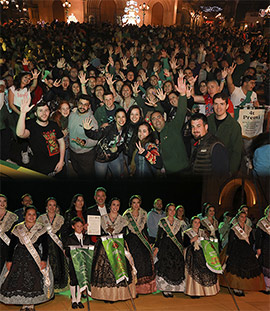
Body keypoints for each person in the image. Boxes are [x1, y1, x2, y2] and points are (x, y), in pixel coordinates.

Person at [0, 206, 54, 311]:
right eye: (29, 214)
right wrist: (9, 260)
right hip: (19, 258)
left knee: (34, 280)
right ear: (25, 216)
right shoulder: (18, 228)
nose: (32, 217)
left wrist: (43, 260)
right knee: (20, 281)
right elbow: (11, 246)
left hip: (34, 259)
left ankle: (31, 304)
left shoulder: (41, 228)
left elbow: (46, 246)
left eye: (34, 214)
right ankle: (24, 304)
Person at [91, 198, 137, 302]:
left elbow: (124, 234)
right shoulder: (103, 218)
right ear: (110, 206)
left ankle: (119, 294)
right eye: (113, 205)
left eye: (117, 205)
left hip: (118, 246)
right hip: (105, 246)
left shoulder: (122, 220)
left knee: (119, 268)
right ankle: (107, 295)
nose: (115, 207)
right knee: (106, 270)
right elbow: (97, 232)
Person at [150, 76, 189, 175]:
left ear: (164, 118)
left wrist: (183, 94)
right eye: (153, 119)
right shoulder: (155, 136)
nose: (157, 120)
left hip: (183, 171)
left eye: (159, 117)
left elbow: (181, 112)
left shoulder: (173, 126)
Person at [16, 99, 65, 176]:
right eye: (40, 111)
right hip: (40, 167)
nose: (44, 113)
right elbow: (20, 134)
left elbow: (61, 143)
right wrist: (23, 113)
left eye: (46, 110)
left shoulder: (54, 125)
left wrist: (61, 161)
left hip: (57, 163)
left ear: (49, 112)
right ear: (35, 113)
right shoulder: (32, 127)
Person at [221, 211, 265, 296]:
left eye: (245, 217)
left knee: (244, 271)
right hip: (236, 250)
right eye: (241, 217)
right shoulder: (234, 228)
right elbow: (230, 242)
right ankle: (236, 288)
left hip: (246, 251)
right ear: (238, 218)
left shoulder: (248, 228)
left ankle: (241, 287)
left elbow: (251, 241)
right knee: (236, 270)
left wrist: (252, 251)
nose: (243, 219)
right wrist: (228, 254)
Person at [123, 195, 156, 294]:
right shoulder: (126, 214)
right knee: (135, 262)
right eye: (134, 202)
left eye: (138, 202)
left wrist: (149, 241)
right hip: (131, 240)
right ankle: (134, 289)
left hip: (142, 240)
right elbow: (125, 230)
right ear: (131, 204)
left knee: (145, 262)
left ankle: (145, 289)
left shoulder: (144, 213)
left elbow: (145, 229)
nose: (136, 205)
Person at [83, 108, 127, 179]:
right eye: (118, 117)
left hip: (114, 158)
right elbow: (96, 135)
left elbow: (123, 145)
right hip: (101, 160)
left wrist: (117, 149)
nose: (121, 119)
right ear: (115, 118)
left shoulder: (125, 129)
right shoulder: (108, 128)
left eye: (123, 117)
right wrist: (88, 130)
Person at [183, 216, 220, 298]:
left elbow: (207, 243)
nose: (197, 224)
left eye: (198, 222)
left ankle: (203, 290)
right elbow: (185, 244)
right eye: (195, 222)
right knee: (194, 268)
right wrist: (192, 240)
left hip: (202, 252)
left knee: (206, 268)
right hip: (192, 253)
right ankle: (193, 292)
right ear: (192, 223)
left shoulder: (203, 232)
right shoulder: (187, 232)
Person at [154, 203, 185, 297]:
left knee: (175, 267)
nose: (172, 211)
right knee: (166, 266)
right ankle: (165, 289)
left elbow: (179, 237)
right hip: (165, 246)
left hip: (175, 247)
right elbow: (159, 236)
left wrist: (181, 248)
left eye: (173, 210)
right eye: (170, 210)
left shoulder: (178, 222)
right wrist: (157, 247)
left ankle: (172, 289)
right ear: (167, 211)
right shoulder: (163, 221)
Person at [37, 197, 68, 291]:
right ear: (46, 206)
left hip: (56, 246)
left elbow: (63, 233)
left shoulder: (60, 218)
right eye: (50, 205)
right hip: (45, 245)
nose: (52, 207)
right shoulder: (41, 218)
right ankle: (46, 286)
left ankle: (56, 287)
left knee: (57, 266)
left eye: (54, 205)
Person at [207, 92, 243, 173]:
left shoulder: (234, 126)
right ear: (212, 105)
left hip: (225, 167)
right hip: (208, 165)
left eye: (222, 104)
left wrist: (231, 171)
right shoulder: (208, 121)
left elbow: (237, 151)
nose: (218, 107)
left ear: (227, 106)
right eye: (216, 104)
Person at [64, 217, 92, 309]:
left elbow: (90, 248)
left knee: (81, 281)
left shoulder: (86, 237)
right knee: (73, 281)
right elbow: (67, 252)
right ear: (73, 227)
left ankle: (79, 299)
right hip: (74, 263)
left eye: (81, 226)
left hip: (84, 263)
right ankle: (73, 300)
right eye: (77, 226)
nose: (79, 228)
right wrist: (72, 252)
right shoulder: (70, 238)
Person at [68, 94, 98, 177]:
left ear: (89, 106)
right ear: (77, 103)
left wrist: (84, 142)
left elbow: (95, 140)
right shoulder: (72, 115)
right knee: (77, 171)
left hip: (86, 154)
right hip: (73, 152)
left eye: (85, 105)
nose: (82, 106)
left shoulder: (91, 120)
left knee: (88, 175)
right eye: (81, 103)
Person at [0, 194, 18, 273]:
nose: (2, 203)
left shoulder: (13, 217)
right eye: (0, 201)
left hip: (6, 248)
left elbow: (15, 235)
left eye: (4, 201)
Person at [255, 205, 270, 294]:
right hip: (265, 247)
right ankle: (266, 286)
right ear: (266, 212)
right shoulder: (262, 223)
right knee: (266, 266)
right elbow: (258, 237)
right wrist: (258, 248)